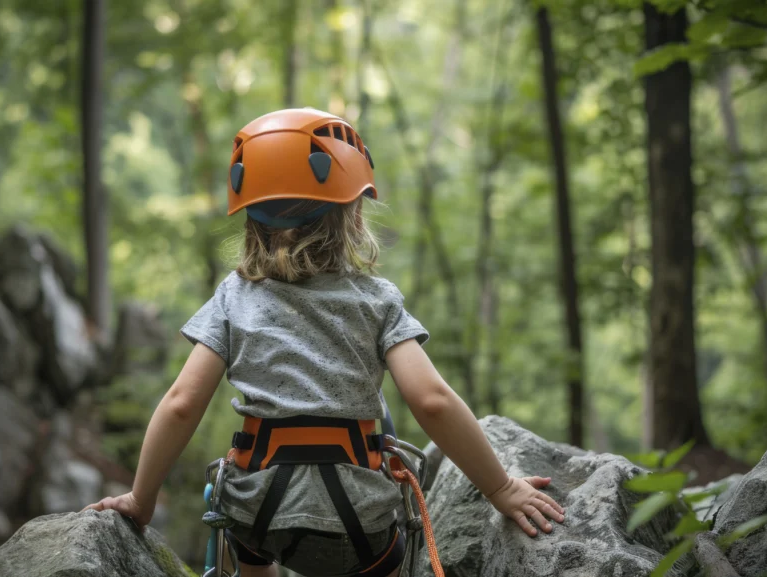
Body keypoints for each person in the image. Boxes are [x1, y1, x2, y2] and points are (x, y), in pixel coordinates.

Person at [85, 108, 565, 577]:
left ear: (251, 219)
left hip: (257, 512)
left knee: (247, 537)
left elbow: (182, 403)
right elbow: (432, 401)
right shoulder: (376, 301)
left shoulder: (233, 297)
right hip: (356, 523)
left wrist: (141, 499)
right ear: (353, 214)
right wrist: (501, 488)